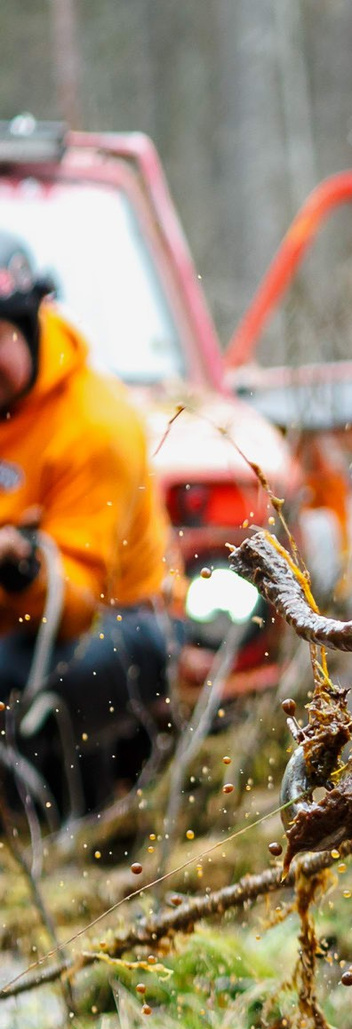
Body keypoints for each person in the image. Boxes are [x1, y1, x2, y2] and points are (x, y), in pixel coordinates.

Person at [0, 233, 175, 822]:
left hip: (122, 624)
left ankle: (58, 822)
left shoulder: (94, 427)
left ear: (32, 323)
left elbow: (73, 605)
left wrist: (18, 564)